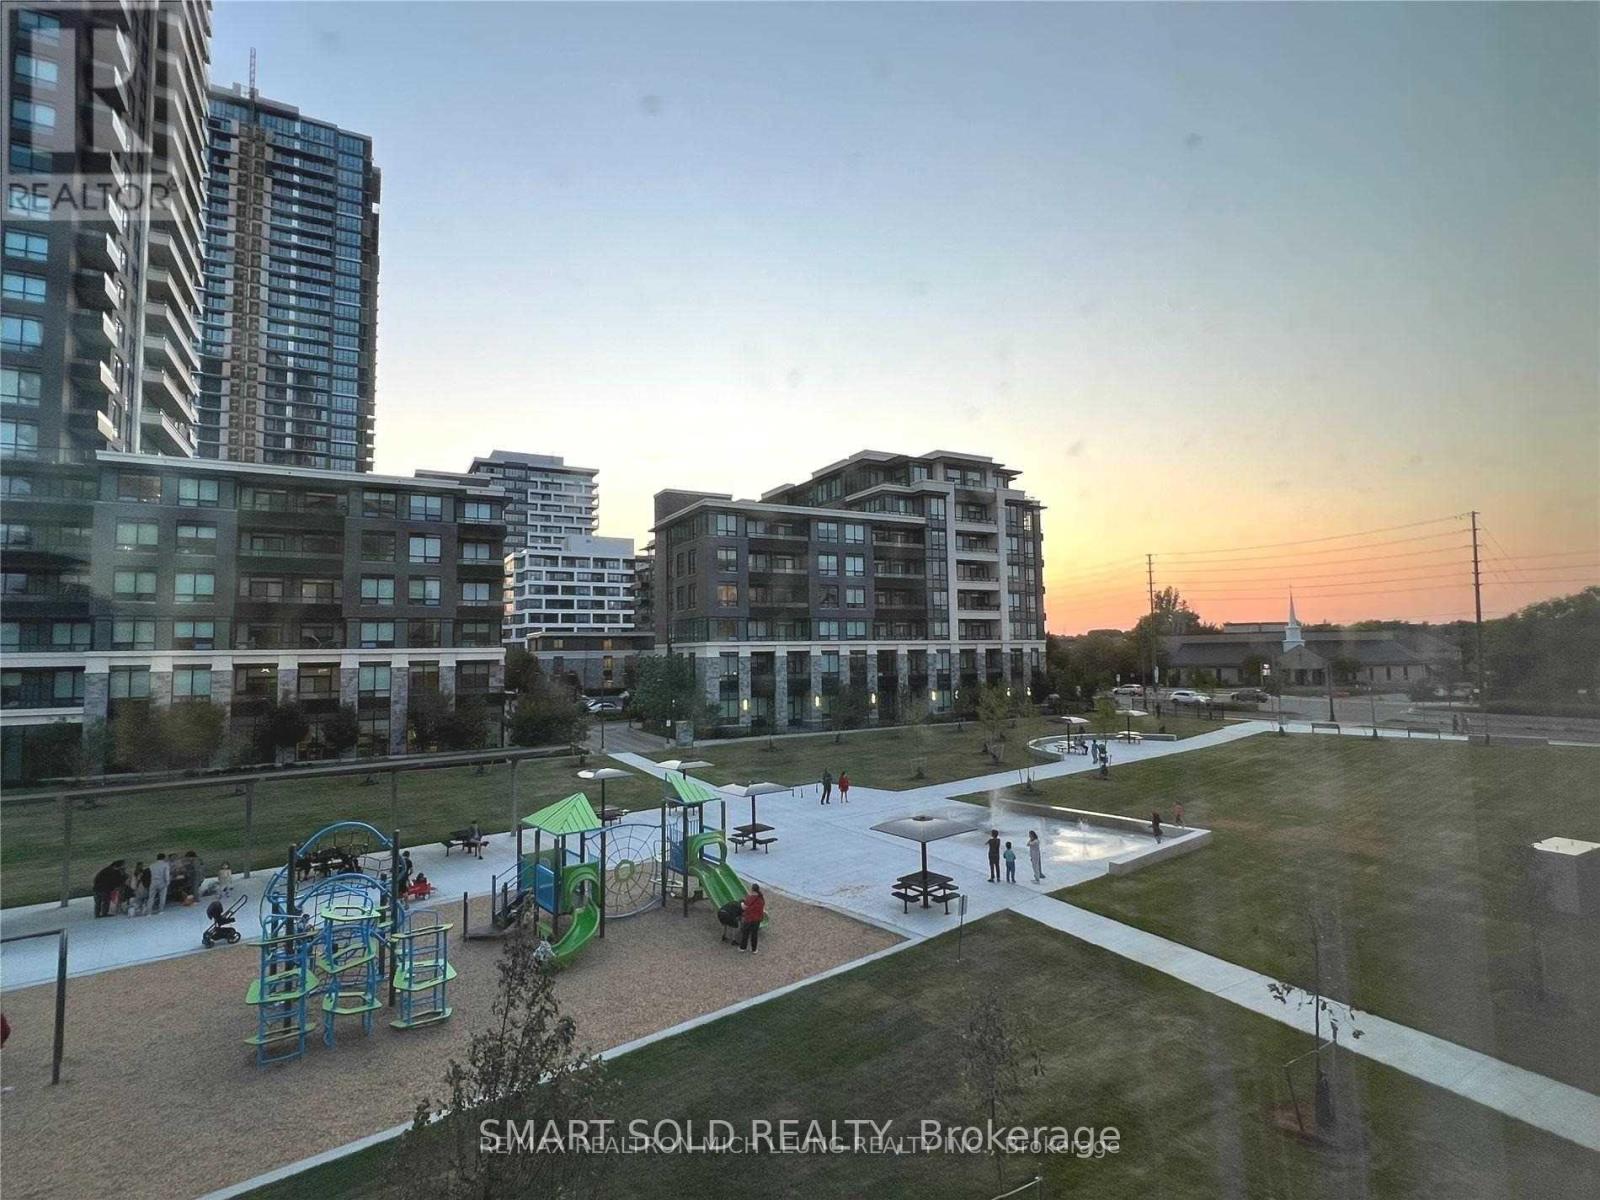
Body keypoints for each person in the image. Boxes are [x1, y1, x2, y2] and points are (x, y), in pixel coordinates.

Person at [738, 884, 765, 954]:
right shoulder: (761, 898)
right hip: (757, 919)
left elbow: (744, 907)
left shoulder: (750, 898)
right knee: (754, 934)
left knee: (745, 933)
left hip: (749, 918)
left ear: (752, 889)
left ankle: (743, 948)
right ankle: (754, 949)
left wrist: (741, 903)